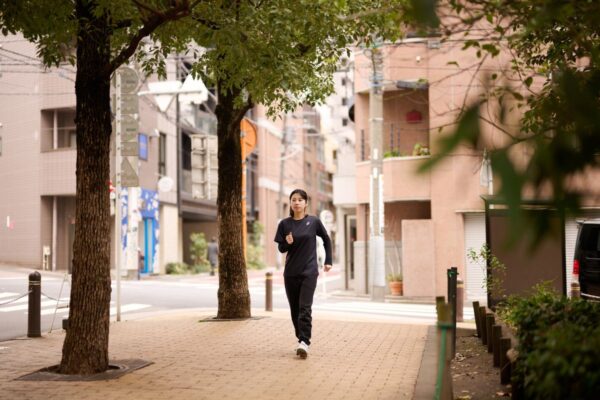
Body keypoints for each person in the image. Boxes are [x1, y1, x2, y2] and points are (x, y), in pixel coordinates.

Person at [274, 189, 332, 359]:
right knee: (295, 309)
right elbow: (281, 248)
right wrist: (287, 243)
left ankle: (305, 342)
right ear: (290, 203)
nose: (297, 202)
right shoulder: (284, 224)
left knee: (304, 308)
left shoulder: (313, 221)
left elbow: (326, 239)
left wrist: (328, 260)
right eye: (294, 200)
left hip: (309, 272)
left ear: (306, 203)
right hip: (291, 273)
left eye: (300, 200)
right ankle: (301, 338)